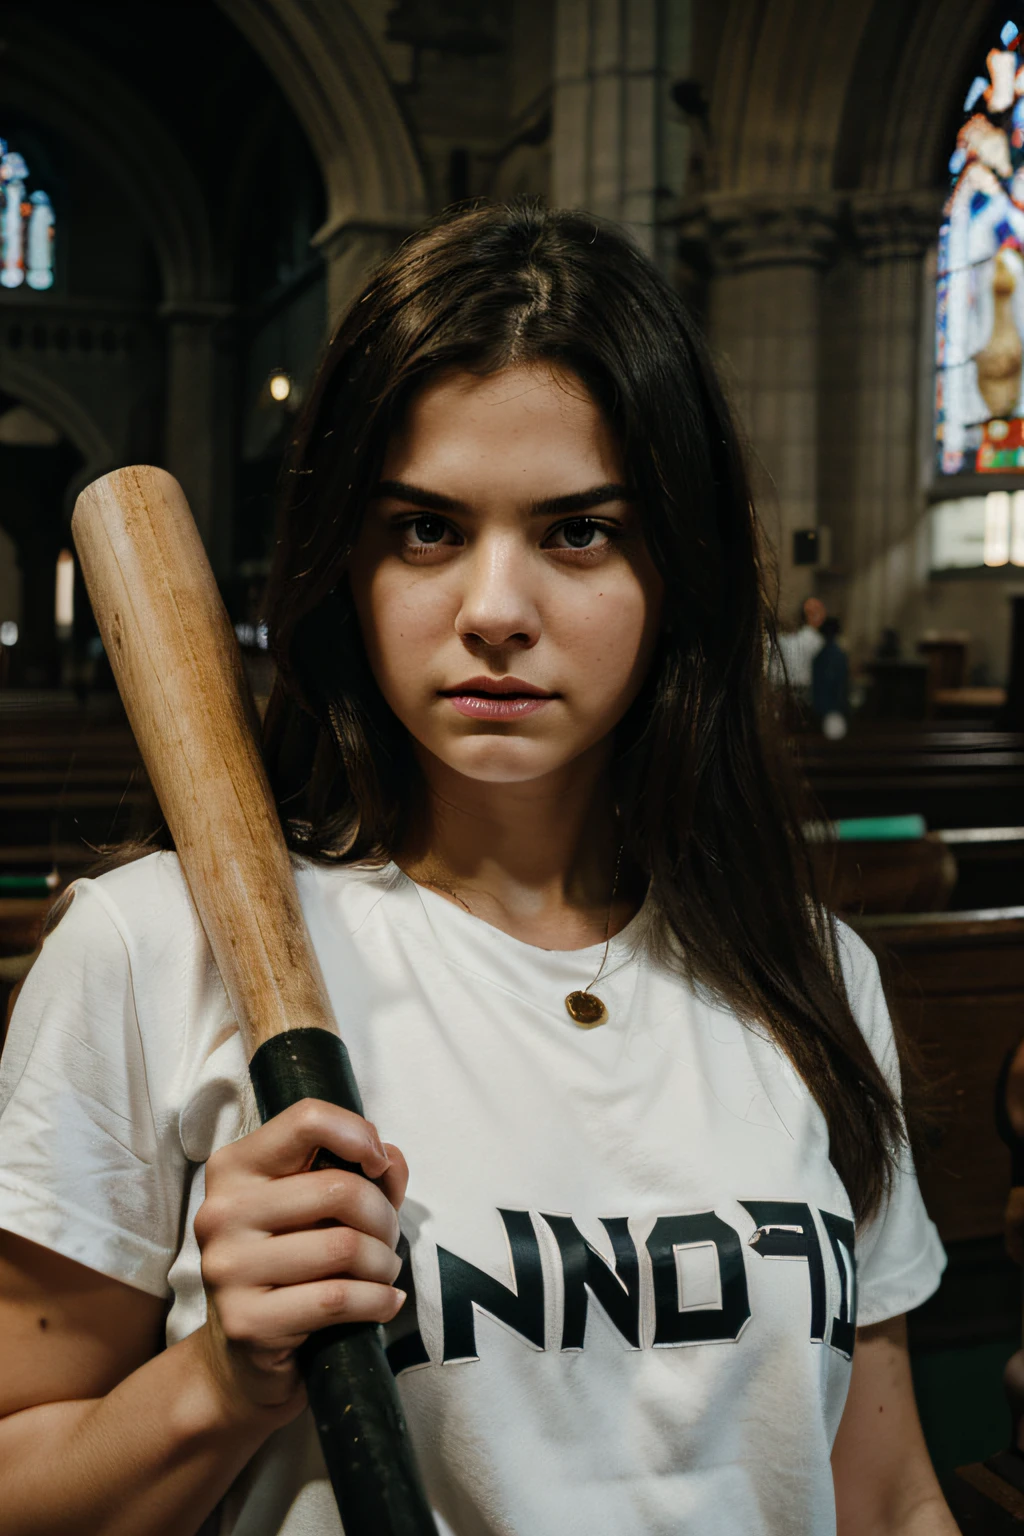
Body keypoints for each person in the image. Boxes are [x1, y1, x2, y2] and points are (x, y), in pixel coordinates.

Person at [0, 201, 954, 1535]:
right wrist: (219, 1378)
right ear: (350, 560)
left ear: (677, 572)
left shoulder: (806, 971)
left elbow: (889, 1494)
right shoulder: (151, 950)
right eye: (427, 530)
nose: (495, 610)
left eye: (580, 532)